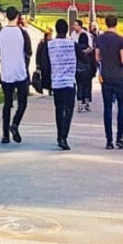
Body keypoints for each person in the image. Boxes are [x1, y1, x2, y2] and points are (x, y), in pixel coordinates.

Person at [94, 14, 123, 150]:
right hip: (119, 77)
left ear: (106, 23)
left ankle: (108, 140)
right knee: (121, 107)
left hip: (106, 76)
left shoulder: (100, 39)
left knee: (107, 108)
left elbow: (97, 57)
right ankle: (119, 138)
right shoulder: (121, 40)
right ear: (116, 23)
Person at [0, 6, 30, 144]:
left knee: (7, 104)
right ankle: (15, 124)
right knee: (22, 103)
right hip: (20, 72)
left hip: (6, 73)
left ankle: (5, 135)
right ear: (17, 16)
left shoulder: (1, 32)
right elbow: (28, 51)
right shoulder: (22, 32)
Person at [48, 18, 77, 150]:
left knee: (59, 109)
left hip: (56, 82)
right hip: (69, 81)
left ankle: (59, 135)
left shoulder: (50, 45)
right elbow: (83, 57)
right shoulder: (72, 44)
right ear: (67, 31)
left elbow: (45, 62)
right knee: (69, 109)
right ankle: (63, 136)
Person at [72, 18, 93, 111]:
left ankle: (80, 103)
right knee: (86, 85)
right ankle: (86, 103)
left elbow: (91, 47)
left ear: (80, 26)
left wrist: (81, 52)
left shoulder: (87, 35)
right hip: (86, 66)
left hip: (78, 64)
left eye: (75, 25)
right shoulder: (73, 34)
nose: (74, 27)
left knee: (80, 85)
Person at [36, 27, 52, 94]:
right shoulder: (43, 43)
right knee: (45, 76)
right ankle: (45, 89)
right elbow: (38, 53)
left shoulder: (46, 42)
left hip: (46, 63)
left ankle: (48, 89)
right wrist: (38, 63)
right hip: (45, 63)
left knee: (47, 76)